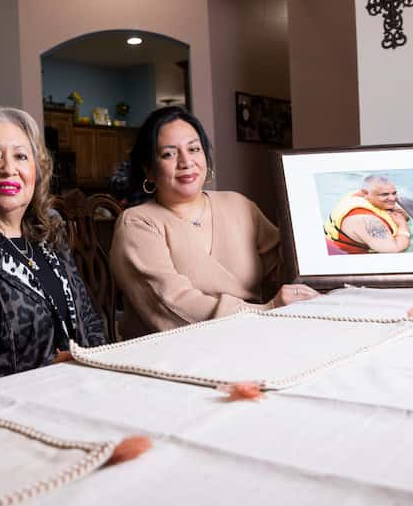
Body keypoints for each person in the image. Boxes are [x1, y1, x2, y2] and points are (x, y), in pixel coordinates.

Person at [0, 107, 106, 387]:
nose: (9, 169)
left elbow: (89, 321)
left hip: (85, 390)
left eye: (21, 156)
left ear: (36, 171)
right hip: (15, 408)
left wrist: (101, 372)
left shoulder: (49, 234)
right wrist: (57, 370)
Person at [110, 106, 318, 340]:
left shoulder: (238, 204)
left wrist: (305, 228)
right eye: (169, 154)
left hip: (251, 338)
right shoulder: (137, 223)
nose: (186, 161)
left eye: (194, 149)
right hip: (174, 354)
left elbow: (282, 270)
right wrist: (265, 312)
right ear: (149, 169)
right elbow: (171, 304)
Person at [324, 175, 411, 254]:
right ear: (365, 193)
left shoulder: (358, 196)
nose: (393, 198)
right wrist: (402, 225)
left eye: (394, 193)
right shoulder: (368, 221)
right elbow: (396, 250)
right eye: (384, 194)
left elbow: (403, 215)